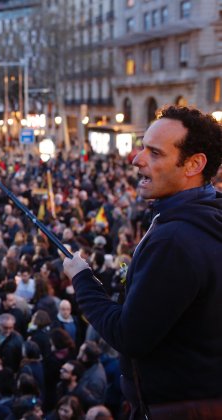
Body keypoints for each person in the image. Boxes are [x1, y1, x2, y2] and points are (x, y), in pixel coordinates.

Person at [64, 106, 222, 415]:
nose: (136, 159)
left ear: (194, 164)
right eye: (141, 148)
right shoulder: (206, 217)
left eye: (154, 152)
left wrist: (82, 279)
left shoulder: (175, 240)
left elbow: (129, 336)